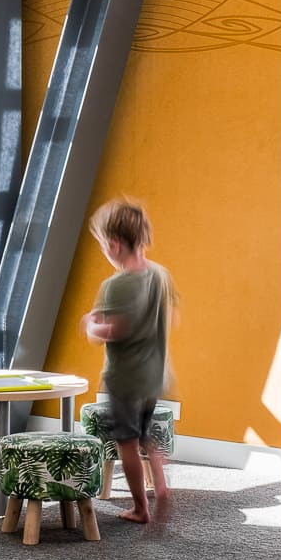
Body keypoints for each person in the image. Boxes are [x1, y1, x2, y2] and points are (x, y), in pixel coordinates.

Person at [80, 197, 177, 524]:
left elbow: (116, 331)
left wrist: (92, 326)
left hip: (127, 379)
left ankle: (140, 507)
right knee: (146, 433)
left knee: (127, 442)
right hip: (154, 375)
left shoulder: (116, 285)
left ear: (114, 244)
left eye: (102, 245)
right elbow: (168, 317)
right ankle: (161, 487)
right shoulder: (160, 274)